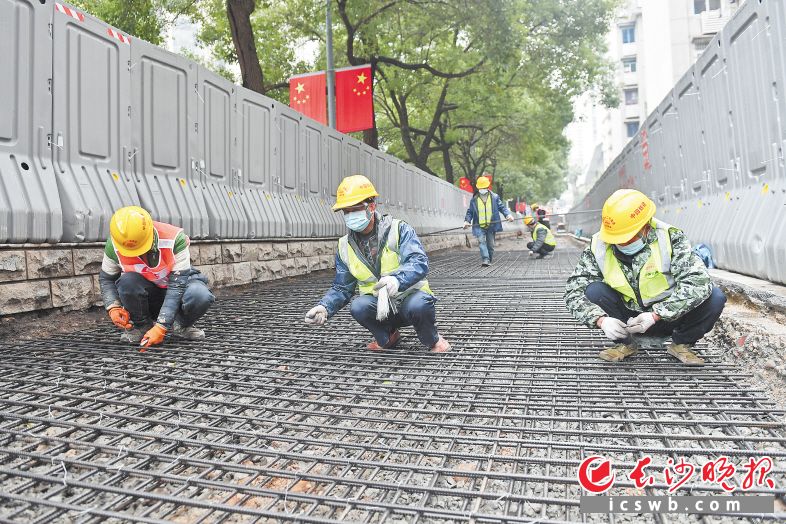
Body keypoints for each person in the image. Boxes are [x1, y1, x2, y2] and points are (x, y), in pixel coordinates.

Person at [564, 189, 726, 365]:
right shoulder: (600, 245)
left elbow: (698, 282)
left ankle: (681, 344)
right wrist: (600, 320)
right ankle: (625, 344)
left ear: (645, 227)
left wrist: (657, 314)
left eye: (626, 237)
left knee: (715, 297)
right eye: (616, 238)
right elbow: (573, 291)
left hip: (668, 317)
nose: (620, 243)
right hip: (627, 320)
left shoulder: (670, 239)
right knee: (594, 290)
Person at [304, 175, 451, 353]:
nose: (350, 216)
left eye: (355, 209)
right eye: (346, 211)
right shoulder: (345, 246)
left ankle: (432, 340)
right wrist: (325, 307)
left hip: (409, 301)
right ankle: (388, 337)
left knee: (419, 305)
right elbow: (343, 287)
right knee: (358, 307)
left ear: (371, 206)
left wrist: (397, 280)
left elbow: (418, 261)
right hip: (380, 309)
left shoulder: (399, 229)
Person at [99, 206, 215, 349]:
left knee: (199, 294)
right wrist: (113, 307)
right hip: (151, 296)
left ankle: (181, 325)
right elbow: (107, 279)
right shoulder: (115, 244)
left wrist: (161, 326)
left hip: (177, 292)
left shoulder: (174, 239)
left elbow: (177, 286)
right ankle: (143, 327)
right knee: (127, 282)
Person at [463, 176, 514, 267]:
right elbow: (470, 211)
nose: (482, 189)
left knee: (490, 245)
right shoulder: (474, 199)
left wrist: (508, 215)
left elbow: (502, 207)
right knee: (481, 241)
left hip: (491, 225)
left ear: (488, 187)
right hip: (479, 226)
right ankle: (485, 259)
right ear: (478, 187)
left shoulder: (494, 197)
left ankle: (489, 259)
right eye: (481, 188)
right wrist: (467, 221)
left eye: (484, 187)